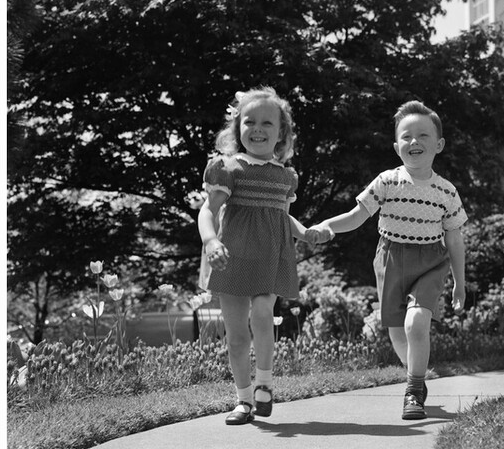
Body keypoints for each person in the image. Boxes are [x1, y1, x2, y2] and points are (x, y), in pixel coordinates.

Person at [310, 100, 467, 420]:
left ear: (439, 145)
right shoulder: (386, 182)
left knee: (415, 323)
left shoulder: (447, 192)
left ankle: (414, 389)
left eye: (423, 135)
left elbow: (454, 239)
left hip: (430, 262)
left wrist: (459, 283)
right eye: (406, 136)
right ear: (397, 147)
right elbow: (356, 216)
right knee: (397, 332)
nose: (414, 141)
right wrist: (326, 226)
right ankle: (416, 373)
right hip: (390, 258)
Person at [198, 87, 330, 425]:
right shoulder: (229, 168)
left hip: (271, 256)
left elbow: (281, 216)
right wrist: (211, 241)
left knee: (261, 312)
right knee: (237, 336)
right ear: (237, 128)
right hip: (233, 257)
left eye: (267, 123)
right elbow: (207, 211)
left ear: (281, 132)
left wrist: (305, 232)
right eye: (249, 122)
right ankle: (243, 400)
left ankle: (265, 385)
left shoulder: (285, 176)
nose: (257, 129)